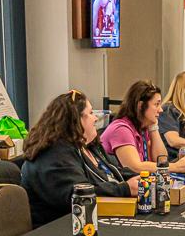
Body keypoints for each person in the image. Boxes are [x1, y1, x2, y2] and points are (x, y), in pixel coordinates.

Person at [22, 90, 140, 228]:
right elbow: (80, 194)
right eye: (90, 113)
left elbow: (111, 172)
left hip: (92, 221)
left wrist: (141, 178)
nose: (95, 118)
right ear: (76, 119)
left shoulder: (88, 146)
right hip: (59, 229)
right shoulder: (54, 154)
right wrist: (125, 188)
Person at [101, 80, 185, 174]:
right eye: (156, 104)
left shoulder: (142, 127)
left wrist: (153, 127)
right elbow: (135, 167)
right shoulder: (121, 129)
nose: (160, 110)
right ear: (141, 106)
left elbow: (161, 160)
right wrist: (175, 167)